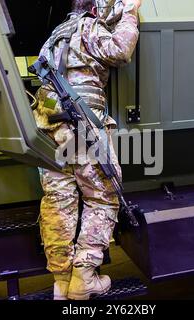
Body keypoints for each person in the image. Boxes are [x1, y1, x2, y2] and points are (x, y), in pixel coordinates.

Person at [33, 0, 142, 300]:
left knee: (59, 199)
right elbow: (120, 51)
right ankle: (83, 277)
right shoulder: (89, 27)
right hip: (81, 123)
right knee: (105, 196)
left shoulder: (53, 36)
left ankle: (61, 280)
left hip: (48, 125)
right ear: (94, 9)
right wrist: (130, 12)